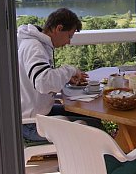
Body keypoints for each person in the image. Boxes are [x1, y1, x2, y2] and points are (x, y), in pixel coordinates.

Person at [18, 7, 100, 142]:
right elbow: (42, 83)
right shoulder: (34, 47)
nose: (69, 42)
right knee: (95, 127)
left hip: (40, 113)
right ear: (58, 28)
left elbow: (39, 81)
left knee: (94, 119)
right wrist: (70, 70)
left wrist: (66, 79)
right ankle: (90, 161)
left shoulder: (37, 44)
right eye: (69, 36)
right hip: (30, 124)